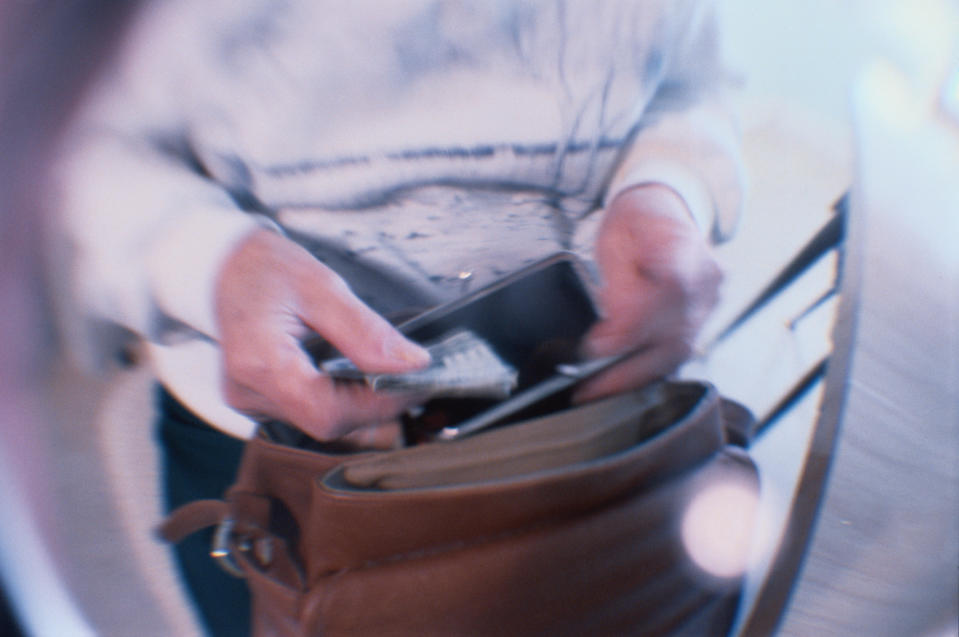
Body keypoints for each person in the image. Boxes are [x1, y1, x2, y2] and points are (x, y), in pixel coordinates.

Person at [48, 1, 743, 634]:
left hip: (592, 402)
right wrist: (204, 260)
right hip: (274, 444)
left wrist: (667, 189)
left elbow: (690, 81)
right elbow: (60, 134)